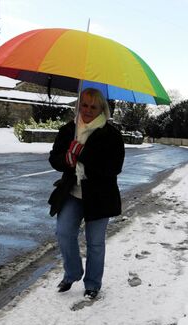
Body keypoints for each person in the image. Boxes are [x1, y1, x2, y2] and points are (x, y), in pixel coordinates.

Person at [48, 88, 124, 300]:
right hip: (72, 192)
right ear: (78, 105)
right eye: (84, 105)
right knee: (63, 233)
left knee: (95, 242)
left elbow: (114, 167)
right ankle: (72, 273)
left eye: (93, 106)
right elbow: (54, 159)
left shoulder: (111, 136)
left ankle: (92, 283)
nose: (88, 110)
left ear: (102, 109)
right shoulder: (68, 130)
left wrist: (83, 153)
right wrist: (67, 159)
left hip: (100, 197)